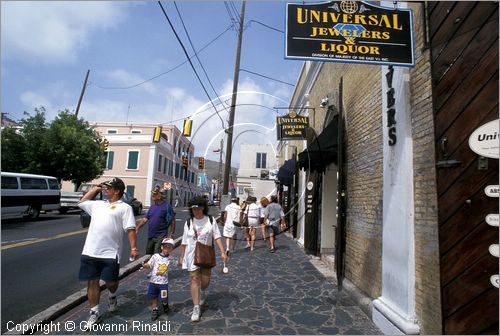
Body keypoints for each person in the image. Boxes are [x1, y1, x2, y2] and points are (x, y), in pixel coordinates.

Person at [77, 177, 138, 330]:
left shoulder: (125, 208)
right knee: (92, 281)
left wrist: (134, 248)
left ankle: (112, 296)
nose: (105, 189)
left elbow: (130, 229)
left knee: (111, 283)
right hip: (91, 250)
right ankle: (94, 312)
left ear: (117, 191)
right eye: (105, 188)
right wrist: (96, 188)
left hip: (111, 253)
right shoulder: (97, 205)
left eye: (108, 188)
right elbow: (82, 202)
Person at [177, 196, 228, 322]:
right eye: (193, 208)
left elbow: (216, 236)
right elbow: (184, 241)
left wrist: (223, 252)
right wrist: (181, 257)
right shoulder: (188, 222)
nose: (196, 210)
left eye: (198, 208)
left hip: (206, 255)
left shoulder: (210, 220)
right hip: (191, 255)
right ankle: (196, 307)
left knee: (205, 282)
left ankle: (203, 290)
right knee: (194, 279)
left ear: (203, 207)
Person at [136, 186, 176, 256]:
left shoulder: (167, 207)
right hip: (151, 235)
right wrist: (137, 227)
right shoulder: (152, 207)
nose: (152, 196)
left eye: (154, 194)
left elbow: (173, 221)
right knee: (148, 255)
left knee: (157, 255)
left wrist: (171, 234)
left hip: (161, 236)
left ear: (159, 196)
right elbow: (145, 218)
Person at [142, 238, 174, 321]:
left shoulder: (170, 258)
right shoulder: (155, 256)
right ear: (162, 247)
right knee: (154, 296)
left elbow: (178, 263)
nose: (167, 249)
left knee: (164, 297)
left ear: (171, 249)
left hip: (163, 282)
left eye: (170, 247)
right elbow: (149, 264)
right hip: (153, 281)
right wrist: (145, 265)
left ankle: (165, 304)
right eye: (166, 247)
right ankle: (155, 310)